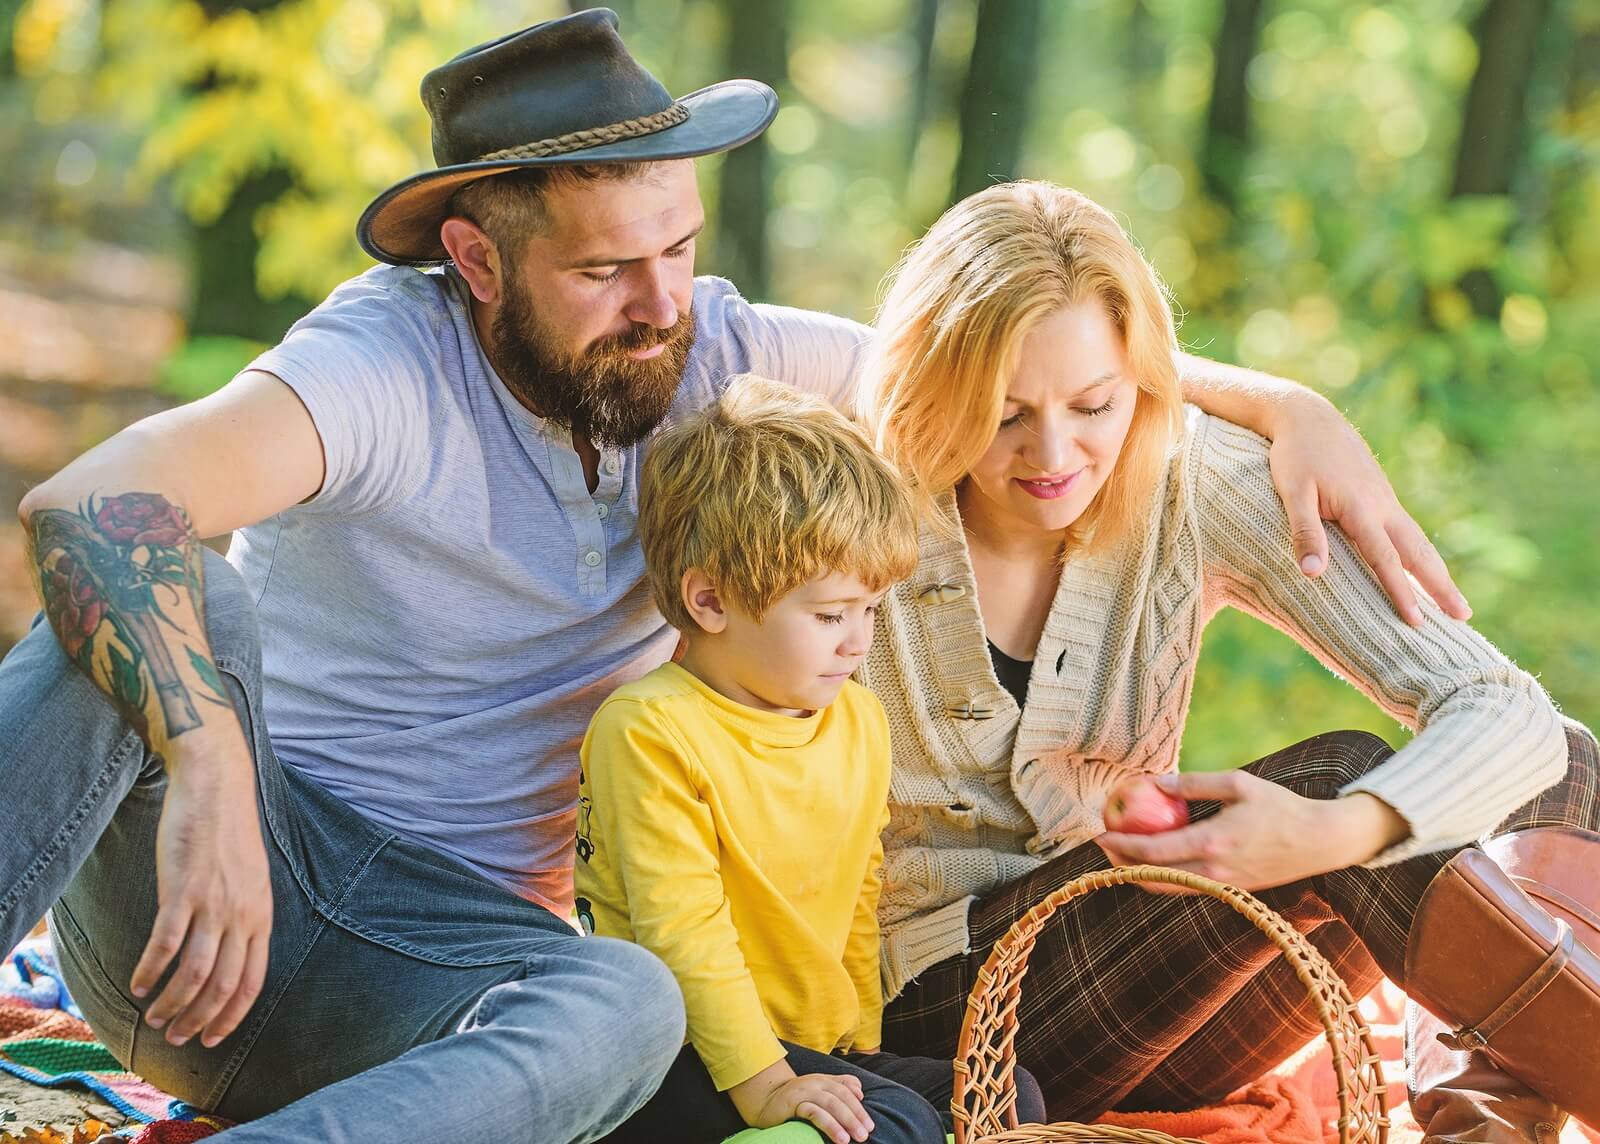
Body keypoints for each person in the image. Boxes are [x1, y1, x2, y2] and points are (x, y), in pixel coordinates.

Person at [0, 9, 1473, 1140]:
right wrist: (204, 770)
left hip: (441, 976)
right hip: (218, 897)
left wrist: (1287, 405)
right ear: (476, 258)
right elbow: (89, 498)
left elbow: (1011, 345)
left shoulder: (715, 350)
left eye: (680, 249)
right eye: (603, 273)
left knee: (630, 1002)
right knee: (153, 589)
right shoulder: (382, 364)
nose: (660, 308)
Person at [851, 180, 1600, 1140]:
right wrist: (1345, 819)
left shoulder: (1187, 472)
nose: (1053, 451)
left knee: (1551, 757)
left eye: (1093, 404)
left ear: (1141, 381)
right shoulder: (848, 502)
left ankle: (1484, 1125)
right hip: (939, 1011)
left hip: (1156, 986)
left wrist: (1339, 835)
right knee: (1342, 773)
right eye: (1004, 416)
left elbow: (1505, 706)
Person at [577, 378, 1044, 1144]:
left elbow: (861, 882)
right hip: (677, 1057)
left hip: (803, 1046)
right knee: (891, 1126)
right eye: (829, 615)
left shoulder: (853, 718)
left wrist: (860, 1041)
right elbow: (682, 934)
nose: (857, 641)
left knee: (1001, 1095)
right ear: (711, 601)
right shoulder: (651, 730)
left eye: (868, 610)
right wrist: (769, 1088)